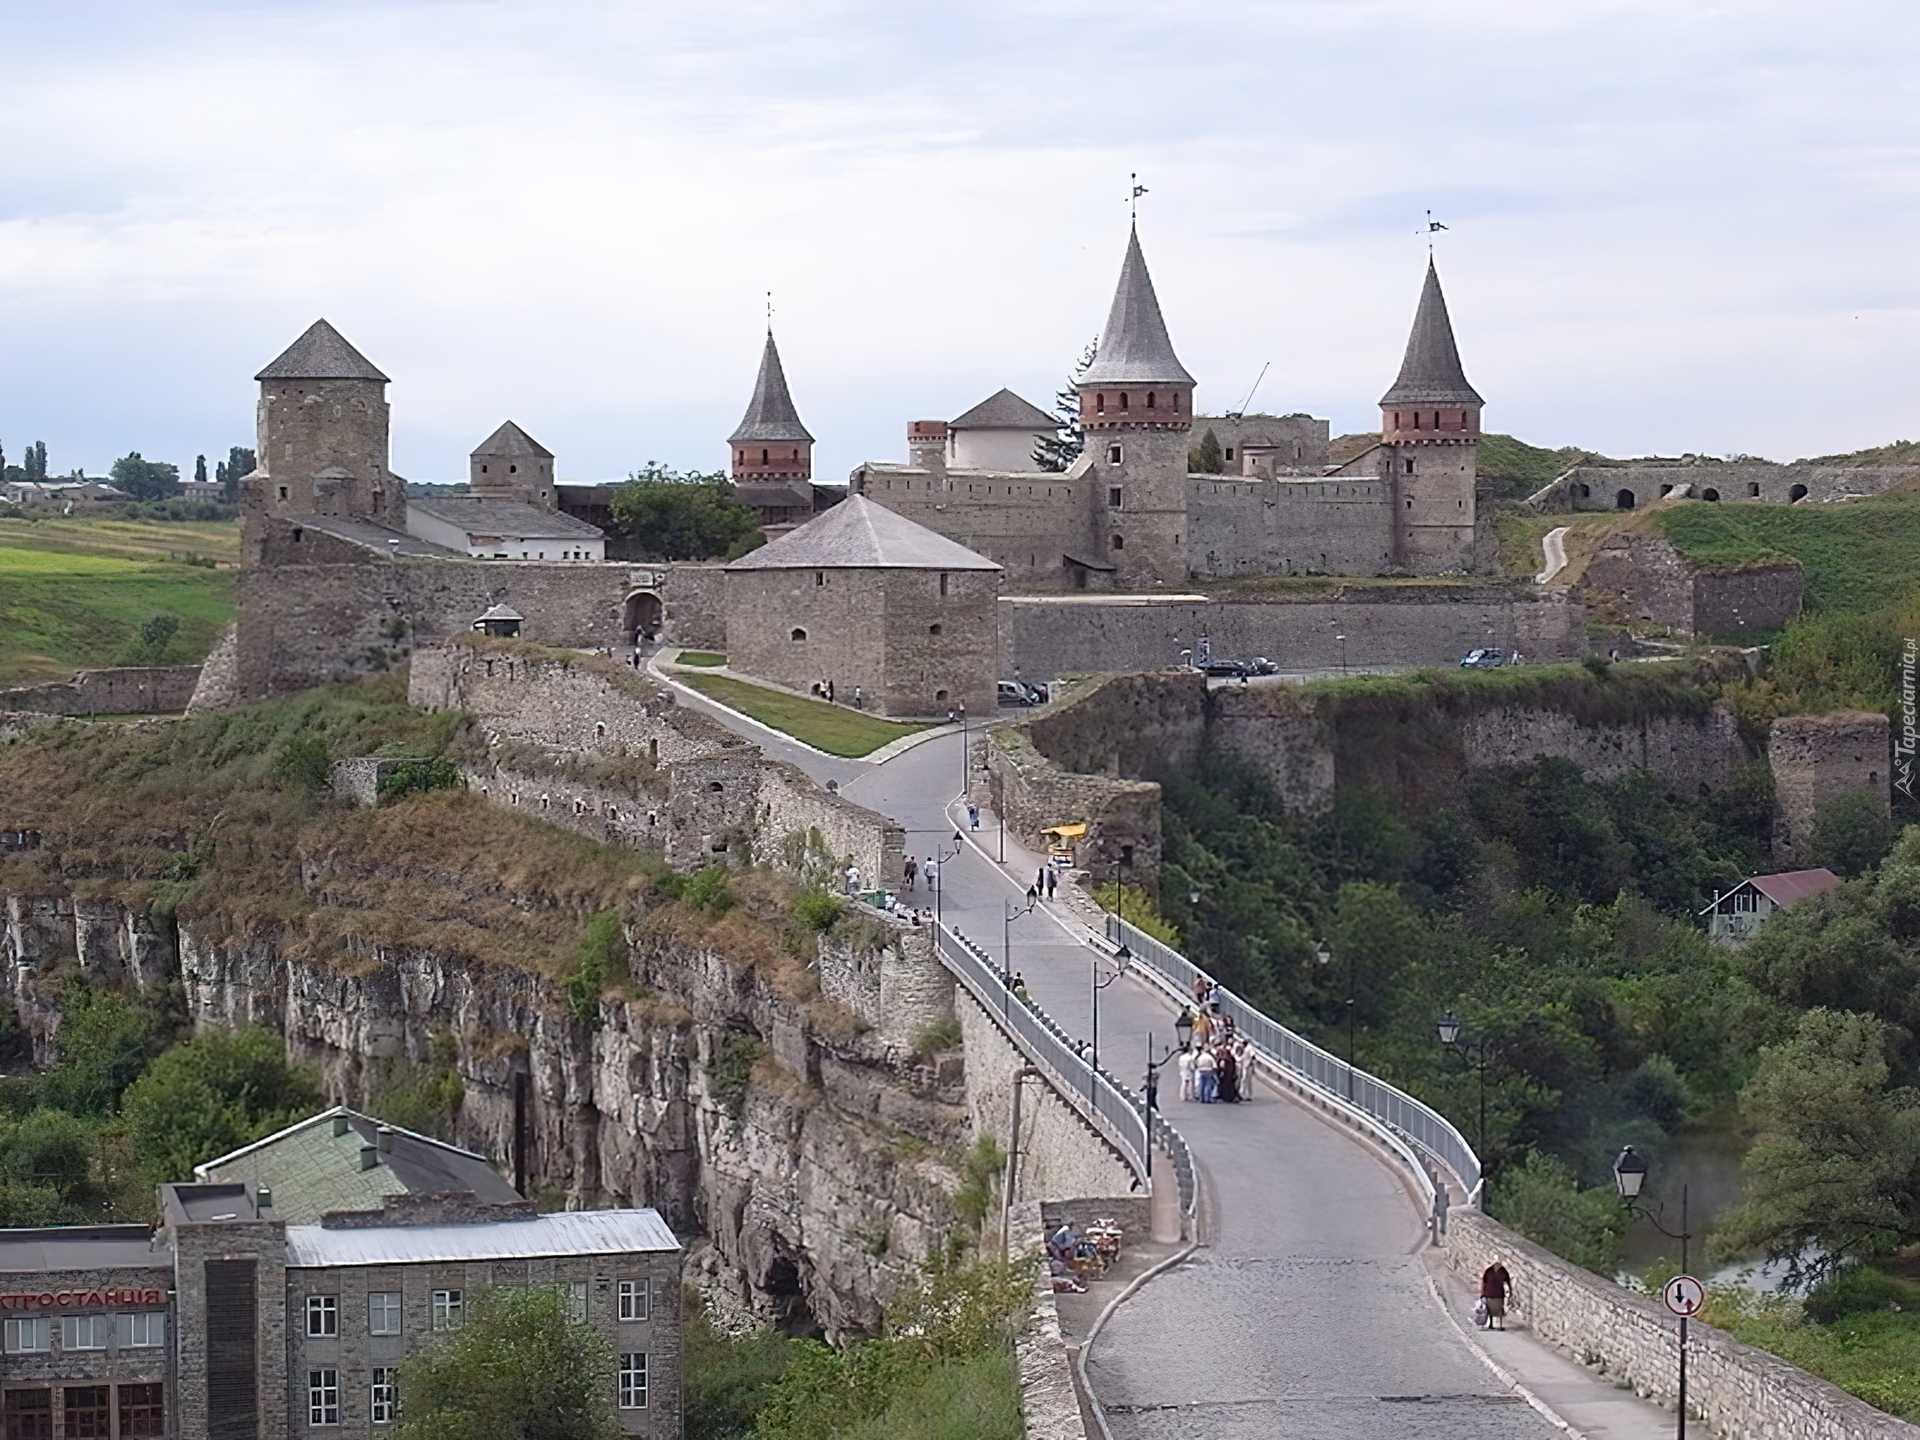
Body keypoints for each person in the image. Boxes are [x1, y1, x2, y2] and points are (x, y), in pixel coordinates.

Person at [1480, 1259, 1512, 1330]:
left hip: (1499, 1294)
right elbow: (1484, 1282)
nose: (1498, 1266)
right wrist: (1483, 1293)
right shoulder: (1488, 1271)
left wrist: (1510, 1292)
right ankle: (1490, 1324)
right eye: (1496, 1264)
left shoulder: (1503, 1271)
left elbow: (1508, 1281)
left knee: (1499, 1310)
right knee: (1490, 1310)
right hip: (1489, 1294)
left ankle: (1500, 1325)